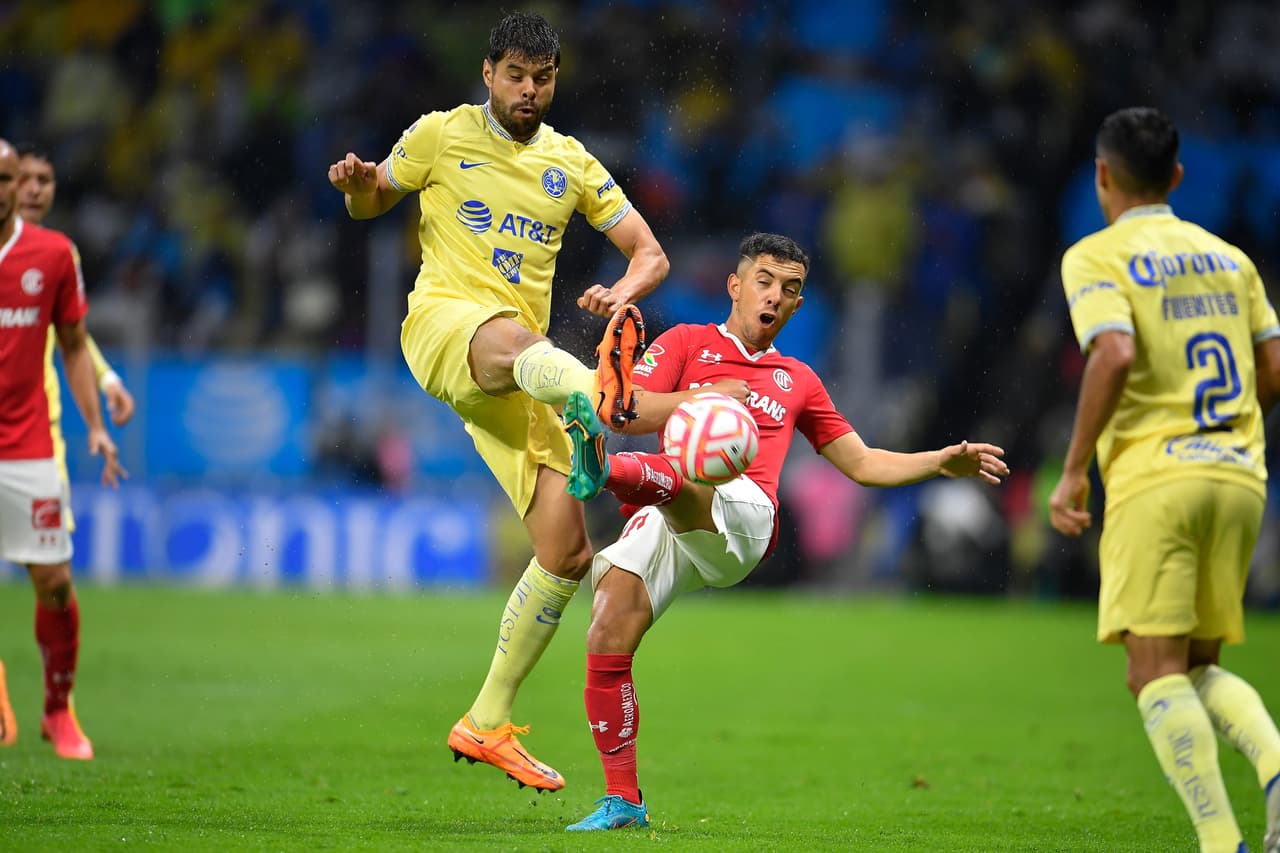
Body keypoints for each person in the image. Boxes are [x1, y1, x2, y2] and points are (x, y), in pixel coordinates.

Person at [555, 232, 1008, 830]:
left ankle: (604, 470)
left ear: (797, 306)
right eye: (765, 282)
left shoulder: (798, 380)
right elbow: (624, 408)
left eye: (790, 290)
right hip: (670, 508)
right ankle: (624, 803)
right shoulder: (686, 343)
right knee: (607, 624)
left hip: (745, 518)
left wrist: (938, 461)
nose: (775, 297)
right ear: (735, 286)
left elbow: (863, 463)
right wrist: (703, 396)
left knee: (699, 471)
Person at [326, 11, 668, 791]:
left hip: (524, 371)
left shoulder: (570, 163)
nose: (529, 90)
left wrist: (621, 289)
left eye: (542, 78)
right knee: (521, 341)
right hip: (449, 328)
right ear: (489, 73)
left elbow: (650, 253)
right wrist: (356, 188)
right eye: (515, 75)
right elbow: (376, 196)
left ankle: (485, 721)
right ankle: (599, 394)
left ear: (555, 79)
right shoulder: (441, 133)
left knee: (567, 552)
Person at [1048, 107, 1280, 853]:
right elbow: (1272, 367)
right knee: (1195, 664)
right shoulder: (1229, 257)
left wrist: (1075, 468)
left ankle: (1221, 842)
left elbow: (1112, 353)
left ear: (1103, 176)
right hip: (1240, 474)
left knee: (1150, 673)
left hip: (1157, 476)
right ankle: (1274, 767)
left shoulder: (1095, 255)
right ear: (1177, 176)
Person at [0, 143, 136, 761]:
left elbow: (74, 341)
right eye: (11, 178)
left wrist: (96, 423)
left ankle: (58, 709)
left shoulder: (53, 254)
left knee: (54, 581)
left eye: (20, 179)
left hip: (29, 443)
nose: (16, 188)